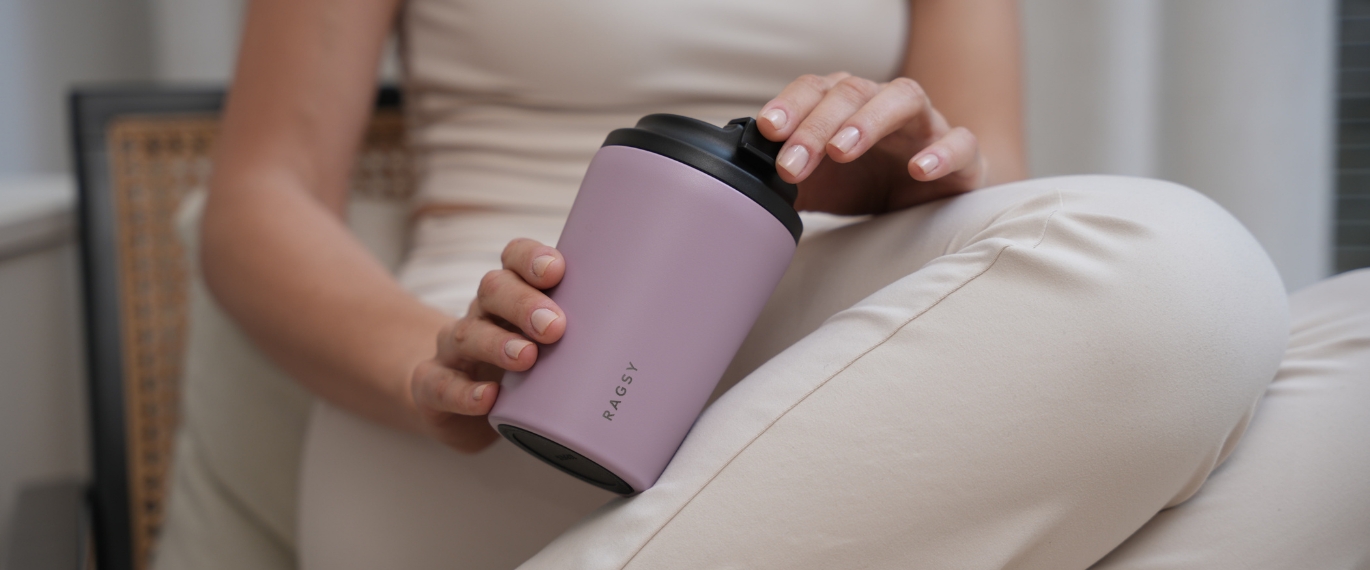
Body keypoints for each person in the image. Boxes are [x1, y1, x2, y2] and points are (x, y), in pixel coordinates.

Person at [152, 0, 1370, 568]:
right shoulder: (458, 378)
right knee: (1175, 271)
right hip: (508, 393)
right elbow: (260, 199)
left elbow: (992, 173)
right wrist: (427, 369)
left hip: (804, 355)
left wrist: (907, 177)